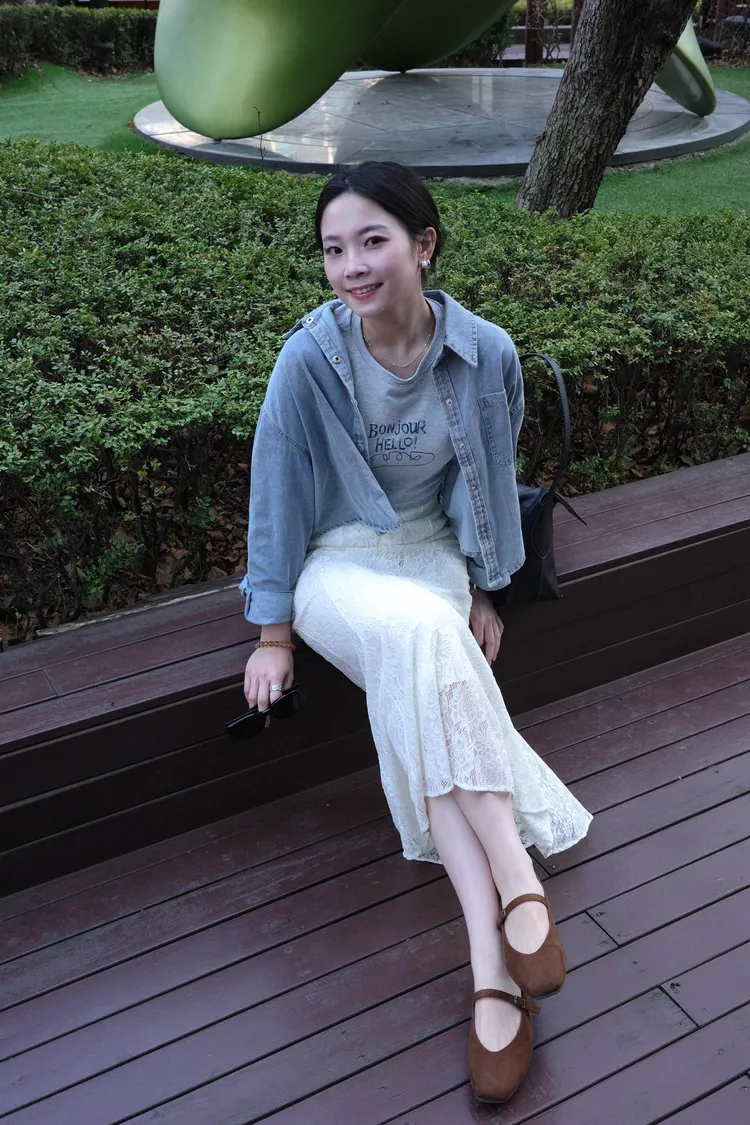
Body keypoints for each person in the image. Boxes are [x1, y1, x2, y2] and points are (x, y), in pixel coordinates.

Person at [238, 161, 592, 1104]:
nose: (351, 266)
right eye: (333, 249)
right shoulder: (307, 361)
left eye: (372, 241)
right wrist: (273, 633)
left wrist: (487, 586)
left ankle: (491, 965)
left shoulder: (485, 353)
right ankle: (519, 884)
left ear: (423, 245)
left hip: (430, 553)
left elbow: (489, 477)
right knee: (419, 640)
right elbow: (275, 496)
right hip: (337, 563)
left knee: (426, 651)